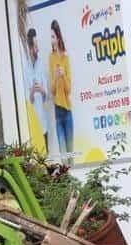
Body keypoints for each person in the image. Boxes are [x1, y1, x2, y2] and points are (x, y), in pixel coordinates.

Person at [49, 20, 74, 153]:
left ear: (58, 37)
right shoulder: (51, 58)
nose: (51, 40)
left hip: (67, 111)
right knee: (63, 155)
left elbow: (69, 90)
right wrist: (56, 77)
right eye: (51, 37)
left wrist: (63, 75)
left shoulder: (65, 58)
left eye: (53, 37)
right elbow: (52, 90)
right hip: (58, 111)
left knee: (71, 153)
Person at [24, 28, 49, 152]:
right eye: (35, 47)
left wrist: (43, 90)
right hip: (32, 124)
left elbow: (47, 95)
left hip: (43, 123)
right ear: (30, 49)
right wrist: (32, 92)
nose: (37, 49)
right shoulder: (25, 68)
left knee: (46, 155)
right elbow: (28, 100)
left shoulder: (41, 64)